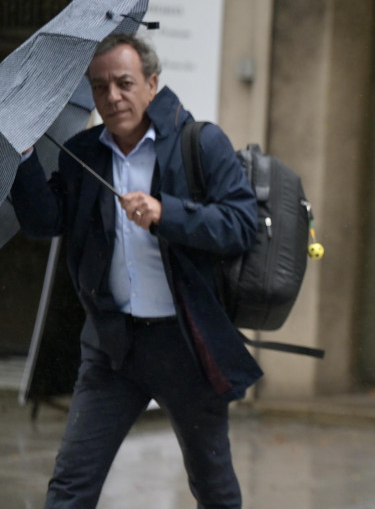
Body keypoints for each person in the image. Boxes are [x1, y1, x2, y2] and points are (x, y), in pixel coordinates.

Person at [10, 33, 262, 508]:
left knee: (213, 486)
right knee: (71, 483)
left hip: (186, 345)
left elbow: (241, 225)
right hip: (112, 348)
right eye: (100, 86)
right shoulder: (84, 154)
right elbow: (47, 221)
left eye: (124, 83)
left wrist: (166, 213)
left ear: (152, 83)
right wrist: (22, 158)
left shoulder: (200, 143)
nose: (112, 96)